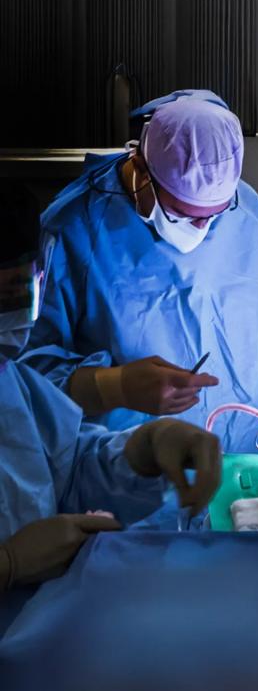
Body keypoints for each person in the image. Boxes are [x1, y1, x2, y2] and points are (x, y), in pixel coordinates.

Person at [22, 91, 258, 453]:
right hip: (131, 474)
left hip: (248, 457)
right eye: (185, 212)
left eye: (215, 214)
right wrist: (115, 386)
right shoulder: (76, 228)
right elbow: (30, 372)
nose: (202, 227)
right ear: (143, 172)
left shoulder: (255, 220)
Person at [0, 182, 222, 590]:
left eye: (19, 297)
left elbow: (63, 469)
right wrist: (8, 564)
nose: (10, 321)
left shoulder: (10, 383)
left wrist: (141, 452)